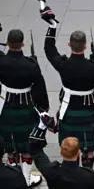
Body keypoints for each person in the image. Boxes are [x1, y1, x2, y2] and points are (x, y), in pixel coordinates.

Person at [43, 6, 94, 169]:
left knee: (70, 146)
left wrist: (52, 27)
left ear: (69, 44)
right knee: (88, 150)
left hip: (68, 111)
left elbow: (49, 50)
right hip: (88, 112)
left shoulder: (63, 64)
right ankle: (87, 174)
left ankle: (72, 174)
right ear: (85, 46)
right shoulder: (93, 67)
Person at [0, 29, 48, 187]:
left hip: (5, 106)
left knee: (9, 145)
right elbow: (40, 88)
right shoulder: (31, 65)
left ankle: (11, 175)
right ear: (22, 44)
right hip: (26, 106)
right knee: (27, 146)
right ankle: (26, 179)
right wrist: (43, 108)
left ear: (7, 43)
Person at [29, 112, 94, 189]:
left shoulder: (50, 171)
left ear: (61, 152)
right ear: (78, 152)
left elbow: (35, 150)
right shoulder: (89, 176)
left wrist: (41, 127)